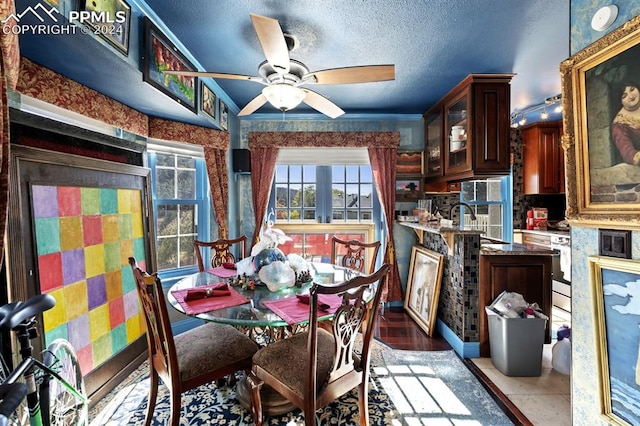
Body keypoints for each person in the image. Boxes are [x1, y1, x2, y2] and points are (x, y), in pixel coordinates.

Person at [611, 83, 640, 166]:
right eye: (624, 95)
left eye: (632, 89)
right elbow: (627, 151)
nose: (631, 96)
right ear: (620, 101)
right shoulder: (620, 125)